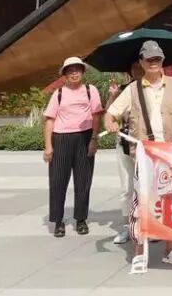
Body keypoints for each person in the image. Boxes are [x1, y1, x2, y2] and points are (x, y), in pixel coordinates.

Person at [104, 41, 172, 273]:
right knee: (141, 205)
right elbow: (110, 114)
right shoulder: (132, 89)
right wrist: (110, 122)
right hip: (144, 156)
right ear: (141, 62)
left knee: (170, 203)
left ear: (163, 61)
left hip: (170, 154)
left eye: (157, 59)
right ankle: (139, 253)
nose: (154, 63)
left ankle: (170, 250)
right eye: (149, 59)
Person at [43, 56, 102, 238]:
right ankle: (58, 221)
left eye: (77, 69)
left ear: (82, 72)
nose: (74, 73)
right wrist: (48, 146)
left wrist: (93, 139)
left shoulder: (90, 90)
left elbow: (96, 116)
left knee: (83, 181)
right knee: (58, 181)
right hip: (61, 138)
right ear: (65, 74)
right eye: (70, 70)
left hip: (84, 137)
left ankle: (81, 219)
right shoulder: (59, 93)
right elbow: (49, 120)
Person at [106, 61, 143, 245]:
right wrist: (112, 97)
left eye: (139, 67)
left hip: (143, 144)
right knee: (126, 188)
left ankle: (147, 225)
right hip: (124, 142)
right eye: (133, 68)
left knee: (145, 187)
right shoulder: (124, 90)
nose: (137, 70)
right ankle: (128, 226)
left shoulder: (151, 89)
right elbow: (111, 114)